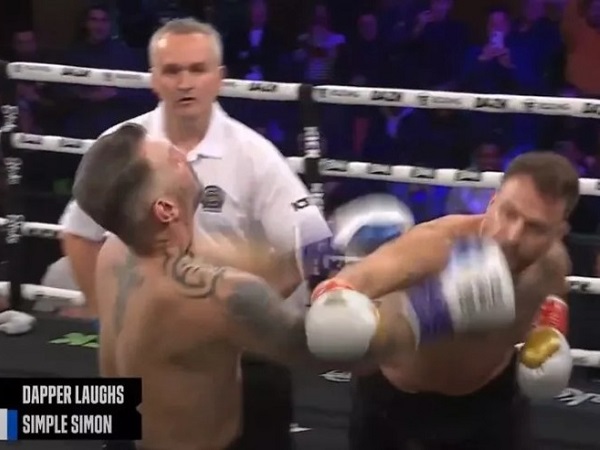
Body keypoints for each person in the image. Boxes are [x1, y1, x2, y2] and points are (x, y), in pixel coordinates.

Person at [75, 123, 519, 449]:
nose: (181, 154)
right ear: (166, 210)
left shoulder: (117, 250)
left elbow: (237, 264)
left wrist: (319, 247)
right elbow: (329, 351)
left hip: (127, 431)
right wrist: (439, 306)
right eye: (171, 158)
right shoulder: (218, 298)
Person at [59, 18, 331, 449]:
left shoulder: (252, 155)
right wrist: (104, 311)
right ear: (154, 78)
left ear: (219, 78)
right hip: (146, 375)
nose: (185, 83)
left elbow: (308, 241)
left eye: (197, 69)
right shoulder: (126, 146)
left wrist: (246, 311)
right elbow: (78, 232)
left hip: (220, 347)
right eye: (172, 70)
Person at [312, 151, 577, 449]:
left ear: (558, 232)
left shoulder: (553, 263)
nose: (514, 236)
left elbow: (554, 293)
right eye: (509, 213)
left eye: (535, 227)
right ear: (493, 202)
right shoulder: (436, 245)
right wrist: (337, 302)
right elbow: (351, 281)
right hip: (397, 406)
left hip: (491, 404)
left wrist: (549, 331)